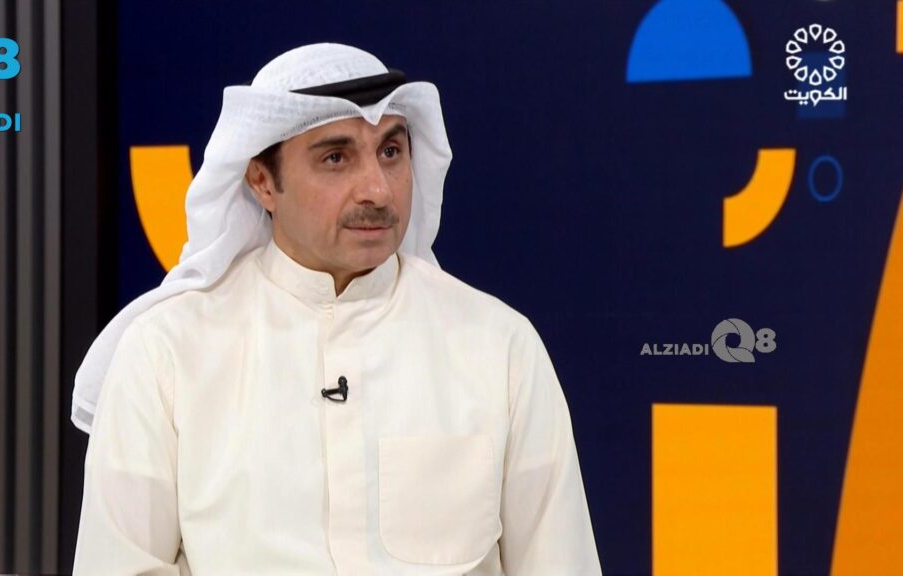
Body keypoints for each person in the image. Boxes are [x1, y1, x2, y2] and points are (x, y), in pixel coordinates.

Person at [72, 43, 601, 575]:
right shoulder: (166, 351)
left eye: (390, 152)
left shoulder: (498, 345)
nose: (377, 190)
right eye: (336, 158)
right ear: (263, 182)